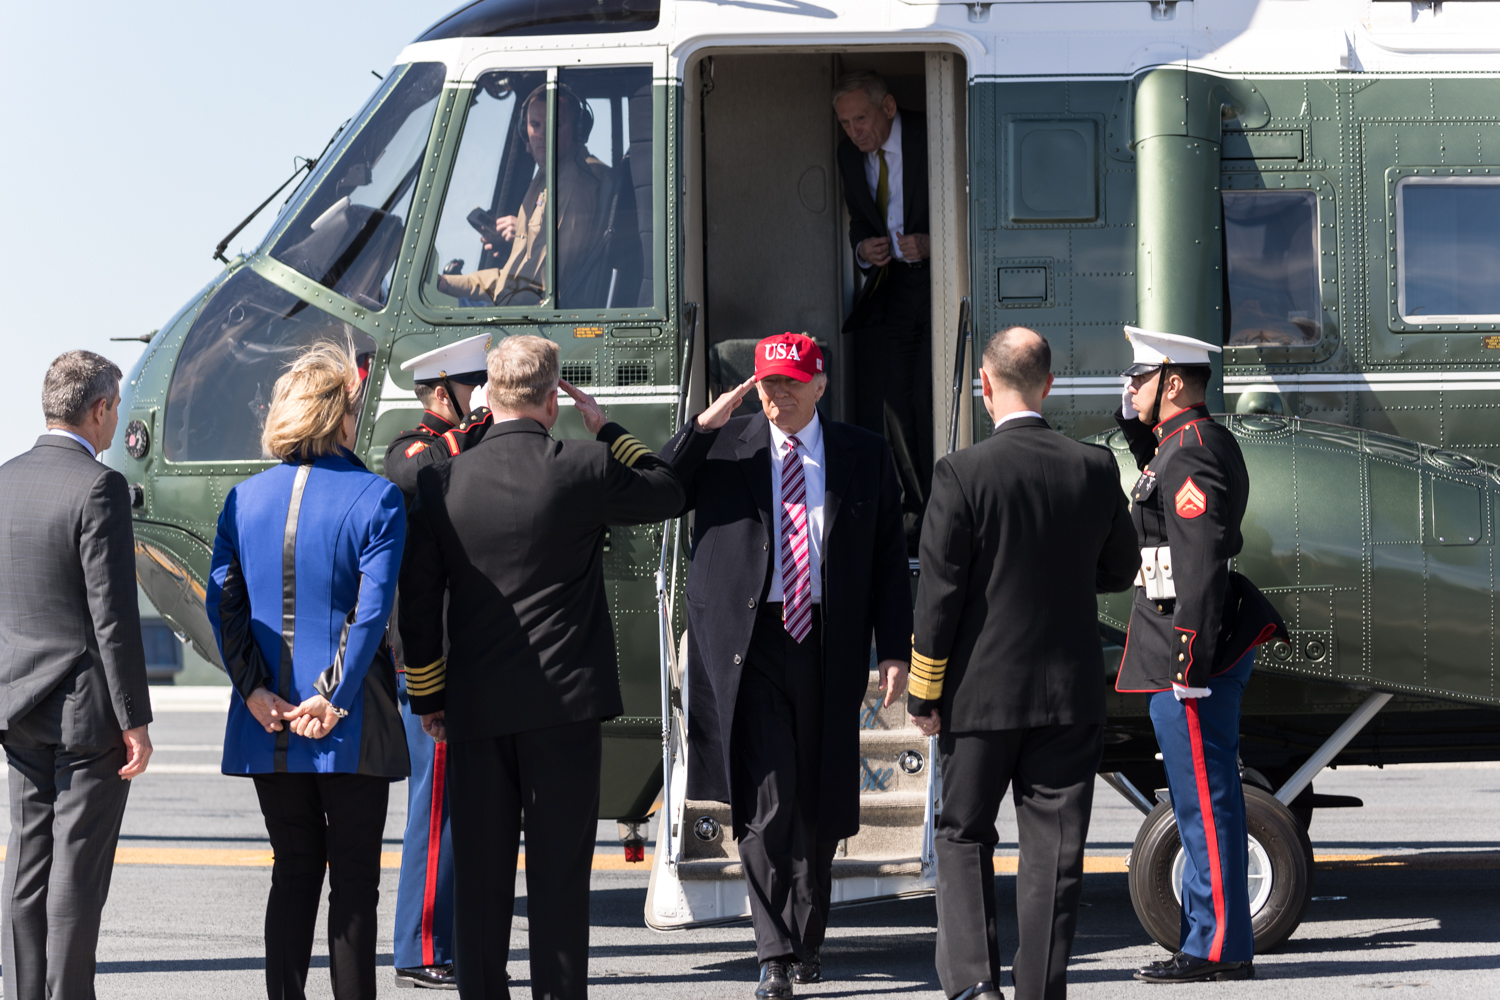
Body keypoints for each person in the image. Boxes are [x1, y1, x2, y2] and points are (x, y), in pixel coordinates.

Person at [398, 335, 683, 999]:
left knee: (480, 879)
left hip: (475, 710)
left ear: (488, 397)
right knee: (559, 881)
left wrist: (430, 697)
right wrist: (608, 427)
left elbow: (419, 603)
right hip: (564, 707)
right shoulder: (582, 467)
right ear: (552, 399)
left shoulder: (439, 479)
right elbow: (668, 491)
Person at [661, 332, 912, 999]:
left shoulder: (865, 453)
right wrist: (702, 424)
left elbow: (888, 557)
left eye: (791, 384)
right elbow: (656, 487)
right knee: (768, 797)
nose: (776, 396)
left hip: (827, 639)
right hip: (751, 639)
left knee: (818, 803)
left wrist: (893, 646)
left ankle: (806, 941)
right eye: (767, 384)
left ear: (820, 385)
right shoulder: (725, 447)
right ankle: (773, 949)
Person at [906, 328, 1139, 1000]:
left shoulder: (961, 473)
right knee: (1055, 853)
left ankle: (976, 983)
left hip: (978, 696)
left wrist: (926, 694)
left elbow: (939, 595)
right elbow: (1119, 569)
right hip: (1068, 695)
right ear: (1049, 386)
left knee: (963, 834)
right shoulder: (1094, 467)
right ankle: (1040, 989)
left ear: (985, 385)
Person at [207, 341, 409, 1000]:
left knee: (293, 869)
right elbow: (370, 610)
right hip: (348, 725)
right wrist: (333, 698)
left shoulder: (242, 499)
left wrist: (255, 689)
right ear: (343, 416)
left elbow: (223, 602)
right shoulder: (377, 498)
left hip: (268, 720)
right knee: (354, 882)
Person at [1111, 326, 1286, 985]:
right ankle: (1215, 940)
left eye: (1139, 379)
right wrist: (1127, 415)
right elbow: (1153, 493)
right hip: (1178, 647)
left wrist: (1189, 663)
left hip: (1189, 654)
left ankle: (1215, 947)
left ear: (1174, 383)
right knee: (1201, 803)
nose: (1129, 389)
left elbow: (1202, 565)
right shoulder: (1178, 446)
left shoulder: (1193, 453)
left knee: (1204, 805)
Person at [0, 350, 154, 1000]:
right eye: (116, 408)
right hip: (85, 712)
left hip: (17, 704)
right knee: (76, 874)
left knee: (27, 862)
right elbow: (112, 615)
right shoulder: (99, 486)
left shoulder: (5, 480)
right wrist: (135, 720)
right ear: (98, 409)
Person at [383, 334, 494, 991]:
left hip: (472, 657)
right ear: (440, 390)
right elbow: (413, 474)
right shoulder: (415, 446)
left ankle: (449, 941)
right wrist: (482, 426)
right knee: (437, 809)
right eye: (473, 386)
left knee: (467, 809)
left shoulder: (471, 446)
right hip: (436, 663)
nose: (481, 398)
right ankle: (420, 948)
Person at [834, 70, 933, 552]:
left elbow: (969, 198)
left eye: (861, 119)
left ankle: (944, 504)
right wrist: (861, 251)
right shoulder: (848, 157)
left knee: (929, 396)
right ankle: (915, 514)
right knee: (894, 405)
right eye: (846, 123)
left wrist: (934, 244)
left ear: (889, 108)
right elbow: (858, 222)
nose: (855, 132)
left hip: (939, 283)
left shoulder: (929, 133)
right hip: (890, 290)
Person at [438, 85, 607, 306]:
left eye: (554, 125)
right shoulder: (546, 179)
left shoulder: (572, 186)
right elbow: (513, 280)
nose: (542, 135)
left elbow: (536, 290)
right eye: (535, 125)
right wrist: (446, 284)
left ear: (578, 130)